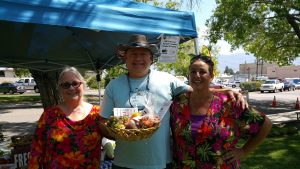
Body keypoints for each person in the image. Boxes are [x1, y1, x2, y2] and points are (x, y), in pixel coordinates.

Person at [100, 34, 247, 169]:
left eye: (143, 54)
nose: (138, 58)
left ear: (151, 58)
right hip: (123, 163)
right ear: (125, 57)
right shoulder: (113, 86)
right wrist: (118, 133)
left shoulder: (167, 80)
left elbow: (197, 90)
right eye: (133, 54)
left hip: (160, 162)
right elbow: (102, 122)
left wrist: (225, 90)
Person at [170, 54, 272, 169]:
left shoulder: (229, 103)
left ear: (211, 76)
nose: (196, 75)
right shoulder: (178, 103)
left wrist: (244, 151)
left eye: (202, 72)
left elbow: (265, 124)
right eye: (193, 72)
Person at [28, 67, 108, 168]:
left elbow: (114, 133)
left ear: (83, 85)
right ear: (60, 89)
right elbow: (36, 151)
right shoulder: (49, 115)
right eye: (65, 85)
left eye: (75, 83)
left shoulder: (97, 114)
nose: (71, 88)